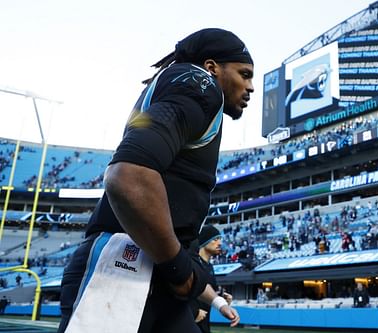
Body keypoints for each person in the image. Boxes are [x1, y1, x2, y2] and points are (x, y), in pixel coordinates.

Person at [57, 28, 254, 333]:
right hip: (126, 266)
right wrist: (177, 269)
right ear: (212, 68)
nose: (250, 86)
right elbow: (129, 175)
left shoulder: (181, 88)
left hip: (149, 271)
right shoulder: (201, 84)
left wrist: (198, 285)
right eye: (244, 74)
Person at [190, 225, 233, 333]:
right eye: (215, 239)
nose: (220, 243)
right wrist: (193, 311)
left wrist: (221, 299)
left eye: (220, 239)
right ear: (205, 241)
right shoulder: (192, 263)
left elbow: (206, 291)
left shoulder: (210, 267)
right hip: (190, 321)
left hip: (204, 322)